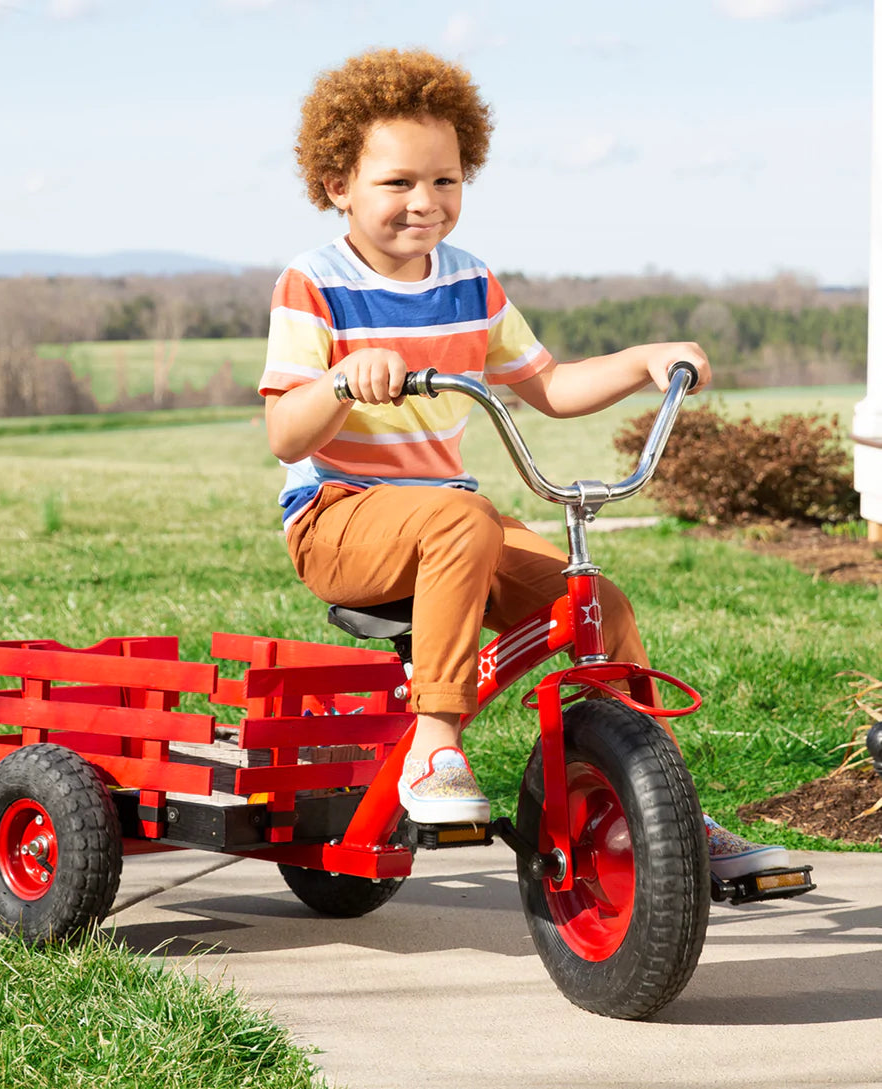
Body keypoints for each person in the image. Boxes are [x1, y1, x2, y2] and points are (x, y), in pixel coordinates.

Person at [259, 47, 788, 881]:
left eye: (446, 180)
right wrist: (340, 380)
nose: (425, 204)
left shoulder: (472, 283)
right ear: (338, 186)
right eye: (397, 183)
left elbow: (550, 385)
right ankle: (436, 743)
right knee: (462, 516)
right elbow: (287, 434)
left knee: (597, 604)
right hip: (339, 518)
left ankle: (664, 816)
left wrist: (640, 358)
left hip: (451, 525)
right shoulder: (314, 282)